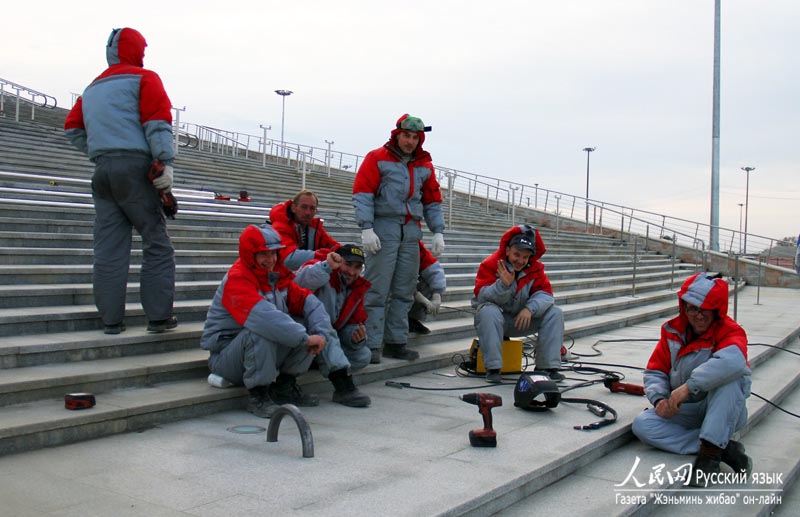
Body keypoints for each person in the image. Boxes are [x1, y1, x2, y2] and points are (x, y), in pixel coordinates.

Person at [64, 27, 177, 335]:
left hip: (102, 171)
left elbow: (72, 128)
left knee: (109, 250)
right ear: (138, 50)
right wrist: (165, 162)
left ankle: (111, 320)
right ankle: (158, 318)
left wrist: (99, 150)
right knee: (156, 243)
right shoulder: (145, 78)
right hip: (136, 169)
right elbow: (157, 121)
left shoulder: (92, 88)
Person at [200, 224, 365, 417]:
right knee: (262, 331)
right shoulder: (237, 279)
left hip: (256, 353)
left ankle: (284, 387)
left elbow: (308, 302)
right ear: (249, 253)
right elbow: (265, 318)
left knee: (308, 326)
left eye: (274, 254)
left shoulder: (275, 276)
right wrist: (305, 339)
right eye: (263, 254)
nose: (270, 260)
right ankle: (258, 396)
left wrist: (319, 333)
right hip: (226, 358)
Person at [631, 272, 752, 487]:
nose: (699, 315)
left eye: (705, 310)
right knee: (643, 425)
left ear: (716, 311)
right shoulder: (672, 332)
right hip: (686, 410)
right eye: (693, 309)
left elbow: (733, 362)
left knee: (732, 379)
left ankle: (709, 457)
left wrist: (688, 387)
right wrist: (659, 400)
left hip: (722, 410)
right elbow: (655, 371)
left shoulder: (731, 332)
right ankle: (721, 446)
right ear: (684, 308)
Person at [352, 114, 445, 363]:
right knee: (376, 289)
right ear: (397, 134)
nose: (410, 141)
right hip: (384, 227)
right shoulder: (377, 158)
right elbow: (363, 193)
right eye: (406, 135)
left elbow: (432, 200)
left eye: (415, 137)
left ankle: (395, 341)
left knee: (405, 290)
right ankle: (371, 344)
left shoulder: (424, 165)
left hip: (410, 230)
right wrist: (367, 227)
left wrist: (438, 230)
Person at [472, 224, 565, 383]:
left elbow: (546, 295)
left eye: (525, 257)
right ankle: (493, 368)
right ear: (508, 251)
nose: (520, 260)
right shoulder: (490, 264)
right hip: (498, 322)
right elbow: (482, 297)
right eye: (517, 254)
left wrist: (530, 309)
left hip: (523, 320)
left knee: (555, 312)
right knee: (487, 311)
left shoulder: (536, 269)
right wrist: (503, 286)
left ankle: (547, 367)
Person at [294, 244, 373, 407]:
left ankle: (318, 361)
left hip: (324, 339)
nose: (351, 272)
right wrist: (326, 266)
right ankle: (342, 384)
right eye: (348, 264)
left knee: (363, 354)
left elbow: (353, 322)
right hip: (303, 333)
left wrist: (355, 336)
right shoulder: (321, 269)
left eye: (357, 267)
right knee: (324, 329)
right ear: (338, 261)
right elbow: (299, 281)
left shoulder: (356, 288)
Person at [268, 190, 340, 271]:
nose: (308, 212)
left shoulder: (314, 226)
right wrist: (328, 256)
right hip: (281, 277)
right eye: (304, 207)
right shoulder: (281, 225)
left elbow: (333, 245)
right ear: (293, 208)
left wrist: (345, 252)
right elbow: (289, 259)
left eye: (312, 208)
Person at [408, 241, 446, 335]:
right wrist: (416, 294)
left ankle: (411, 319)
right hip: (389, 292)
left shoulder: (417, 247)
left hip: (408, 287)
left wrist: (437, 294)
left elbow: (434, 269)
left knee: (431, 283)